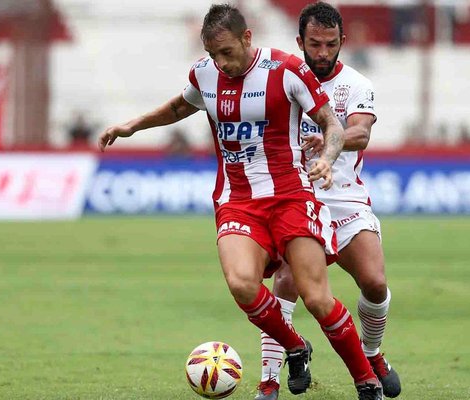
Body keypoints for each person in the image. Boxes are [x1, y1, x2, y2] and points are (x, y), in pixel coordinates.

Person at [97, 4, 383, 400]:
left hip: (291, 195)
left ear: (247, 38)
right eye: (214, 54)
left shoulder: (286, 71)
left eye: (227, 52)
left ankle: (365, 379)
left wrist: (327, 158)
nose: (221, 62)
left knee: (317, 297)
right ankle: (296, 347)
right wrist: (134, 125)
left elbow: (332, 124)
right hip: (238, 199)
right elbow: (183, 105)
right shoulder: (205, 73)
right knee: (242, 284)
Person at [254, 3, 401, 400]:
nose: (322, 53)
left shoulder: (356, 83)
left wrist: (330, 143)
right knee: (286, 280)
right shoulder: (281, 81)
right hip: (297, 197)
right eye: (314, 44)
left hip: (346, 200)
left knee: (374, 281)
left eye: (330, 44)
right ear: (299, 41)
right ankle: (269, 381)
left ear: (343, 42)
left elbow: (360, 132)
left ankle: (371, 353)